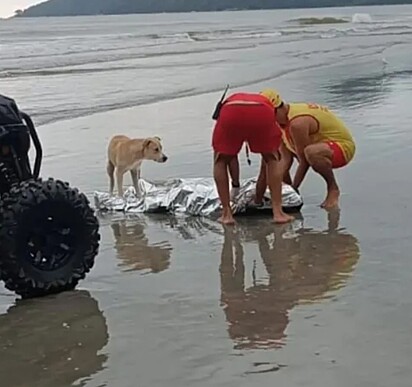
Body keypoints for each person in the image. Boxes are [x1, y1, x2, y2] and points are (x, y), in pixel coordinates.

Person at [255, 89, 356, 209]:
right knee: (278, 160)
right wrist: (275, 190)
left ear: (275, 110)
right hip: (318, 147)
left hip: (342, 148)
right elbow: (285, 161)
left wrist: (294, 189)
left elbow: (304, 161)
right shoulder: (279, 123)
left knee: (311, 153)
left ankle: (333, 188)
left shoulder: (297, 123)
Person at [212, 90, 294, 225]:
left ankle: (227, 214)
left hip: (231, 110)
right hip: (262, 112)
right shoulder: (266, 102)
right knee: (272, 158)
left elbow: (229, 157)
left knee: (220, 160)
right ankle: (278, 213)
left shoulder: (231, 98)